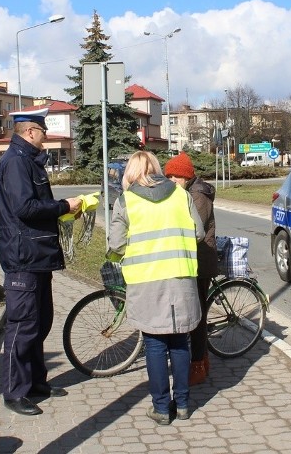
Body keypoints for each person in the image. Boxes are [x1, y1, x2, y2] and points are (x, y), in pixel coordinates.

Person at [0, 108, 83, 416]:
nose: (45, 138)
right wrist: (63, 206)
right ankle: (14, 391)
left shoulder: (26, 161)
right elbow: (25, 207)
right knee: (22, 326)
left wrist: (63, 210)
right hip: (23, 258)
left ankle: (35, 384)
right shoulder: (17, 162)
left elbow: (34, 206)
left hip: (36, 256)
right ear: (30, 132)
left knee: (40, 321)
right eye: (42, 132)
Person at [107, 151, 204, 425]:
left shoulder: (126, 200)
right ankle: (183, 405)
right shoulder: (180, 195)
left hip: (146, 281)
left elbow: (115, 245)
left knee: (155, 344)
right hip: (180, 277)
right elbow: (197, 232)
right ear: (157, 168)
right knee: (179, 340)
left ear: (130, 172)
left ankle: (162, 408)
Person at [164, 151, 216, 386]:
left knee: (197, 317)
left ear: (185, 176)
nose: (171, 180)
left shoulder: (198, 195)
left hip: (201, 261)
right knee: (194, 314)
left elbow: (196, 229)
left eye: (175, 176)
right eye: (169, 176)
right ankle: (201, 359)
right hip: (190, 259)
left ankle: (198, 364)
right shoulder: (185, 192)